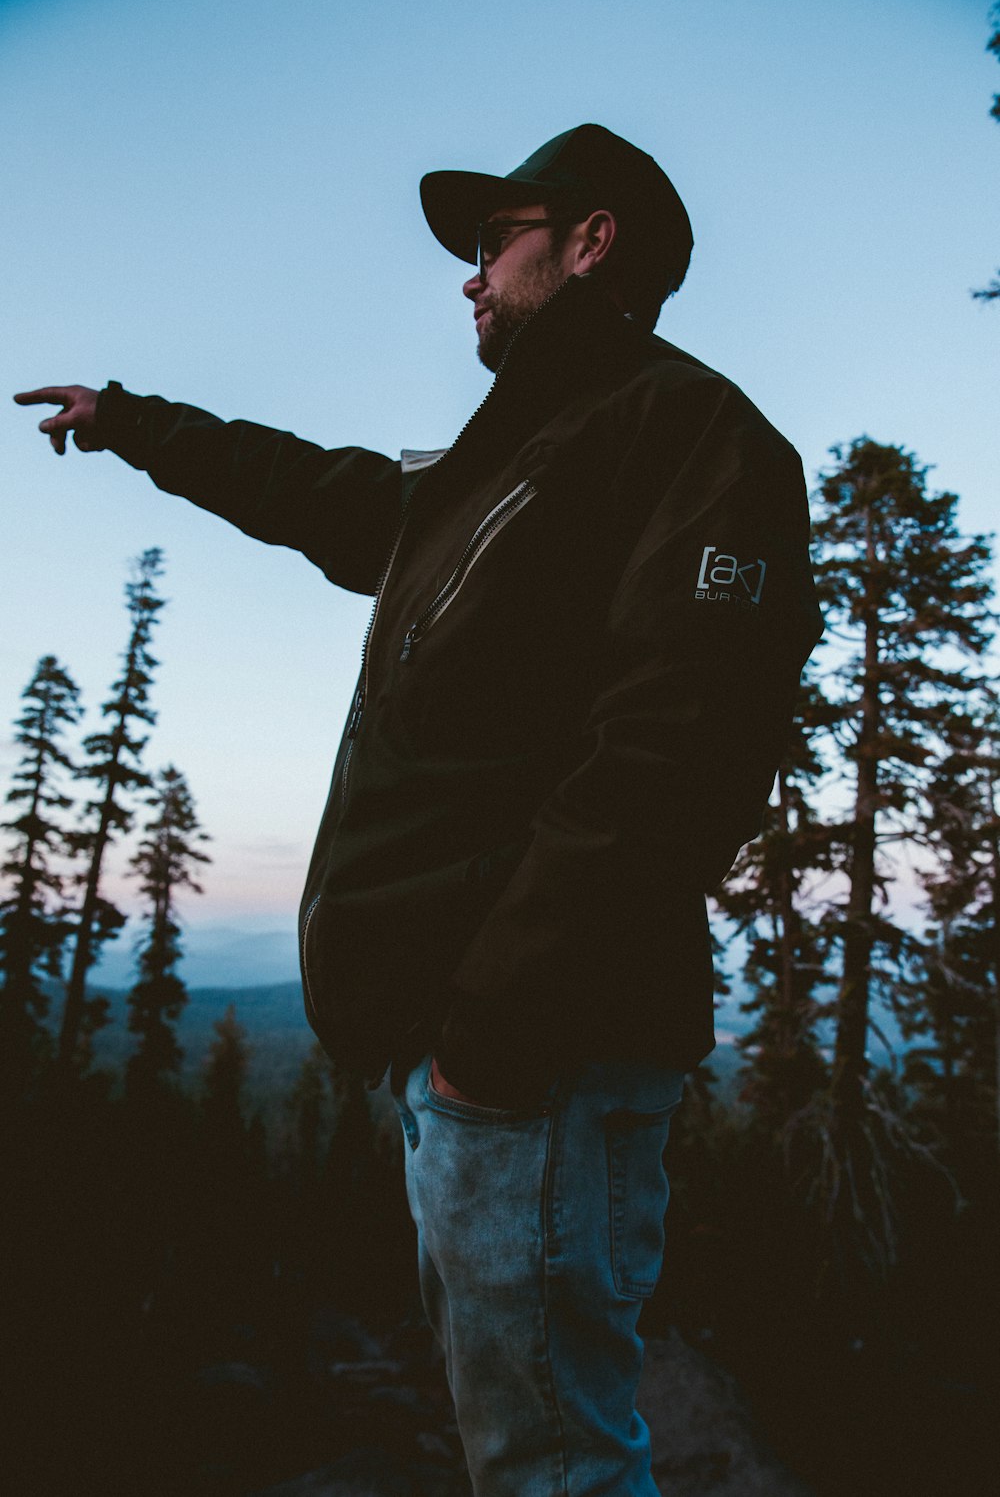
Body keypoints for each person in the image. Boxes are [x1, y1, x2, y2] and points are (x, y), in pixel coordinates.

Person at [16, 123, 822, 1497]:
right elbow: (316, 489)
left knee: (554, 1467)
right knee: (525, 1452)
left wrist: (491, 1042)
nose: (469, 278)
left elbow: (670, 760)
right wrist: (135, 424)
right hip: (478, 1075)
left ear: (589, 241)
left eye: (494, 242)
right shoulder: (503, 466)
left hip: (536, 1064)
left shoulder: (690, 437)